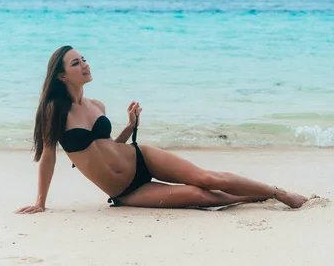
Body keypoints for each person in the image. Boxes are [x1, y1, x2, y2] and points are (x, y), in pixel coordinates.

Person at [15, 46, 309, 214]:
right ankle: (249, 197)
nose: (85, 65)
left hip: (139, 157)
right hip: (128, 191)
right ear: (62, 75)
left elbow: (107, 146)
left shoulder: (97, 105)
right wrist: (41, 202)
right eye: (76, 63)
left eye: (85, 59)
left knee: (206, 178)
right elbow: (49, 156)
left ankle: (278, 193)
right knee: (200, 196)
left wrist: (131, 126)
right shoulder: (54, 111)